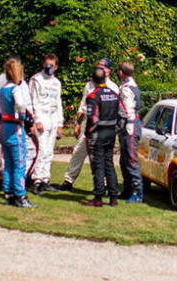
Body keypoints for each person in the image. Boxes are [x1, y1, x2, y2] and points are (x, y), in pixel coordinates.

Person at [60, 58, 120, 192]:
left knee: (103, 157)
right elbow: (83, 106)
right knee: (78, 152)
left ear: (109, 70)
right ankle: (68, 181)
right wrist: (77, 124)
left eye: (103, 66)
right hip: (88, 123)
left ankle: (103, 186)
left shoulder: (113, 87)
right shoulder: (89, 85)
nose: (99, 68)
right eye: (98, 66)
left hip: (103, 125)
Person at [0, 58, 37, 208]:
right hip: (15, 129)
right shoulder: (15, 89)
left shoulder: (2, 90)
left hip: (4, 129)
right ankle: (20, 195)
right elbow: (20, 104)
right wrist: (22, 116)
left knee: (8, 163)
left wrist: (0, 117)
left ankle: (8, 193)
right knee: (19, 163)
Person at [82, 67, 122, 207]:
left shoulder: (93, 96)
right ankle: (113, 198)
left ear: (93, 80)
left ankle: (98, 198)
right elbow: (121, 115)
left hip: (98, 133)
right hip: (111, 133)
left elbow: (92, 119)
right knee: (109, 164)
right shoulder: (114, 93)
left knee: (98, 166)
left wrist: (88, 133)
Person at [27, 53, 64, 195]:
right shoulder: (36, 79)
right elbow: (32, 101)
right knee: (41, 150)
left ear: (56, 67)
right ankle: (36, 180)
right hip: (42, 116)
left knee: (49, 151)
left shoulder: (56, 82)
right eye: (47, 64)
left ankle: (45, 180)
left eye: (51, 65)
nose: (49, 67)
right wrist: (37, 120)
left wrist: (60, 123)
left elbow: (58, 102)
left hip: (53, 118)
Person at [117, 61, 144, 203]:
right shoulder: (131, 85)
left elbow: (128, 110)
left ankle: (137, 192)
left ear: (121, 72)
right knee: (124, 160)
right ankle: (127, 189)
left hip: (130, 126)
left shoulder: (127, 88)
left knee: (131, 159)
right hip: (129, 125)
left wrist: (123, 123)